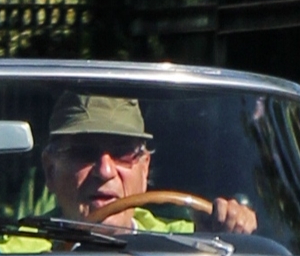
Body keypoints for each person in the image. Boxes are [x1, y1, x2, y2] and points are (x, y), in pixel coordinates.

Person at [34, 92, 257, 237]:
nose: (105, 171)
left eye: (123, 153)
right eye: (83, 152)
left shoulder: (186, 242)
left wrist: (234, 228)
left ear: (144, 169)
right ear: (50, 170)